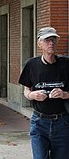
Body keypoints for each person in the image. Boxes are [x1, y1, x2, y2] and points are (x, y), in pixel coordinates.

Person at [18, 26, 69, 159]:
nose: (51, 43)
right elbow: (26, 90)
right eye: (47, 40)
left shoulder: (66, 64)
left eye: (53, 40)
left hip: (62, 123)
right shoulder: (31, 64)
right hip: (39, 122)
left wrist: (64, 94)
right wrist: (32, 95)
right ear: (39, 43)